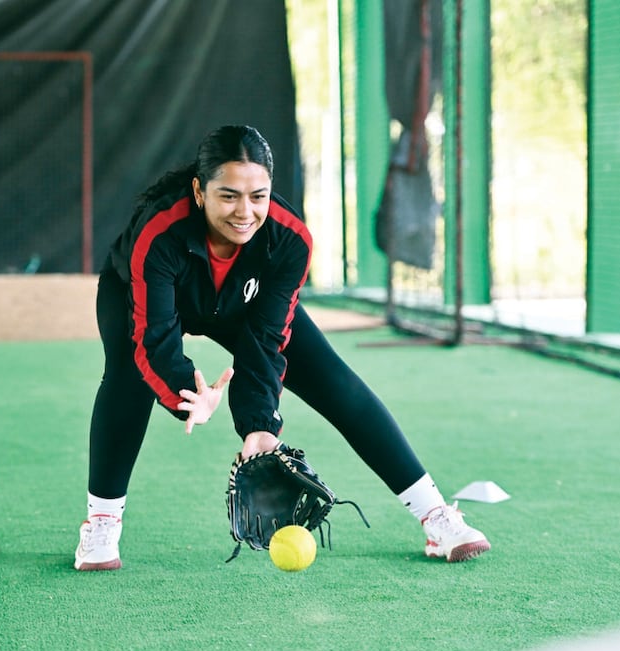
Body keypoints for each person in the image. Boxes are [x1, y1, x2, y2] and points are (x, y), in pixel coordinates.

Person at [74, 125, 490, 570]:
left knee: (334, 381)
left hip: (242, 302)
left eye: (258, 196)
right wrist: (185, 394)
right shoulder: (159, 233)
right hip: (138, 294)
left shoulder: (290, 239)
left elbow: (266, 341)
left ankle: (436, 516)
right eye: (228, 196)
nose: (245, 212)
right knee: (127, 378)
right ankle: (102, 523)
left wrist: (259, 425)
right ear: (199, 191)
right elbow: (154, 337)